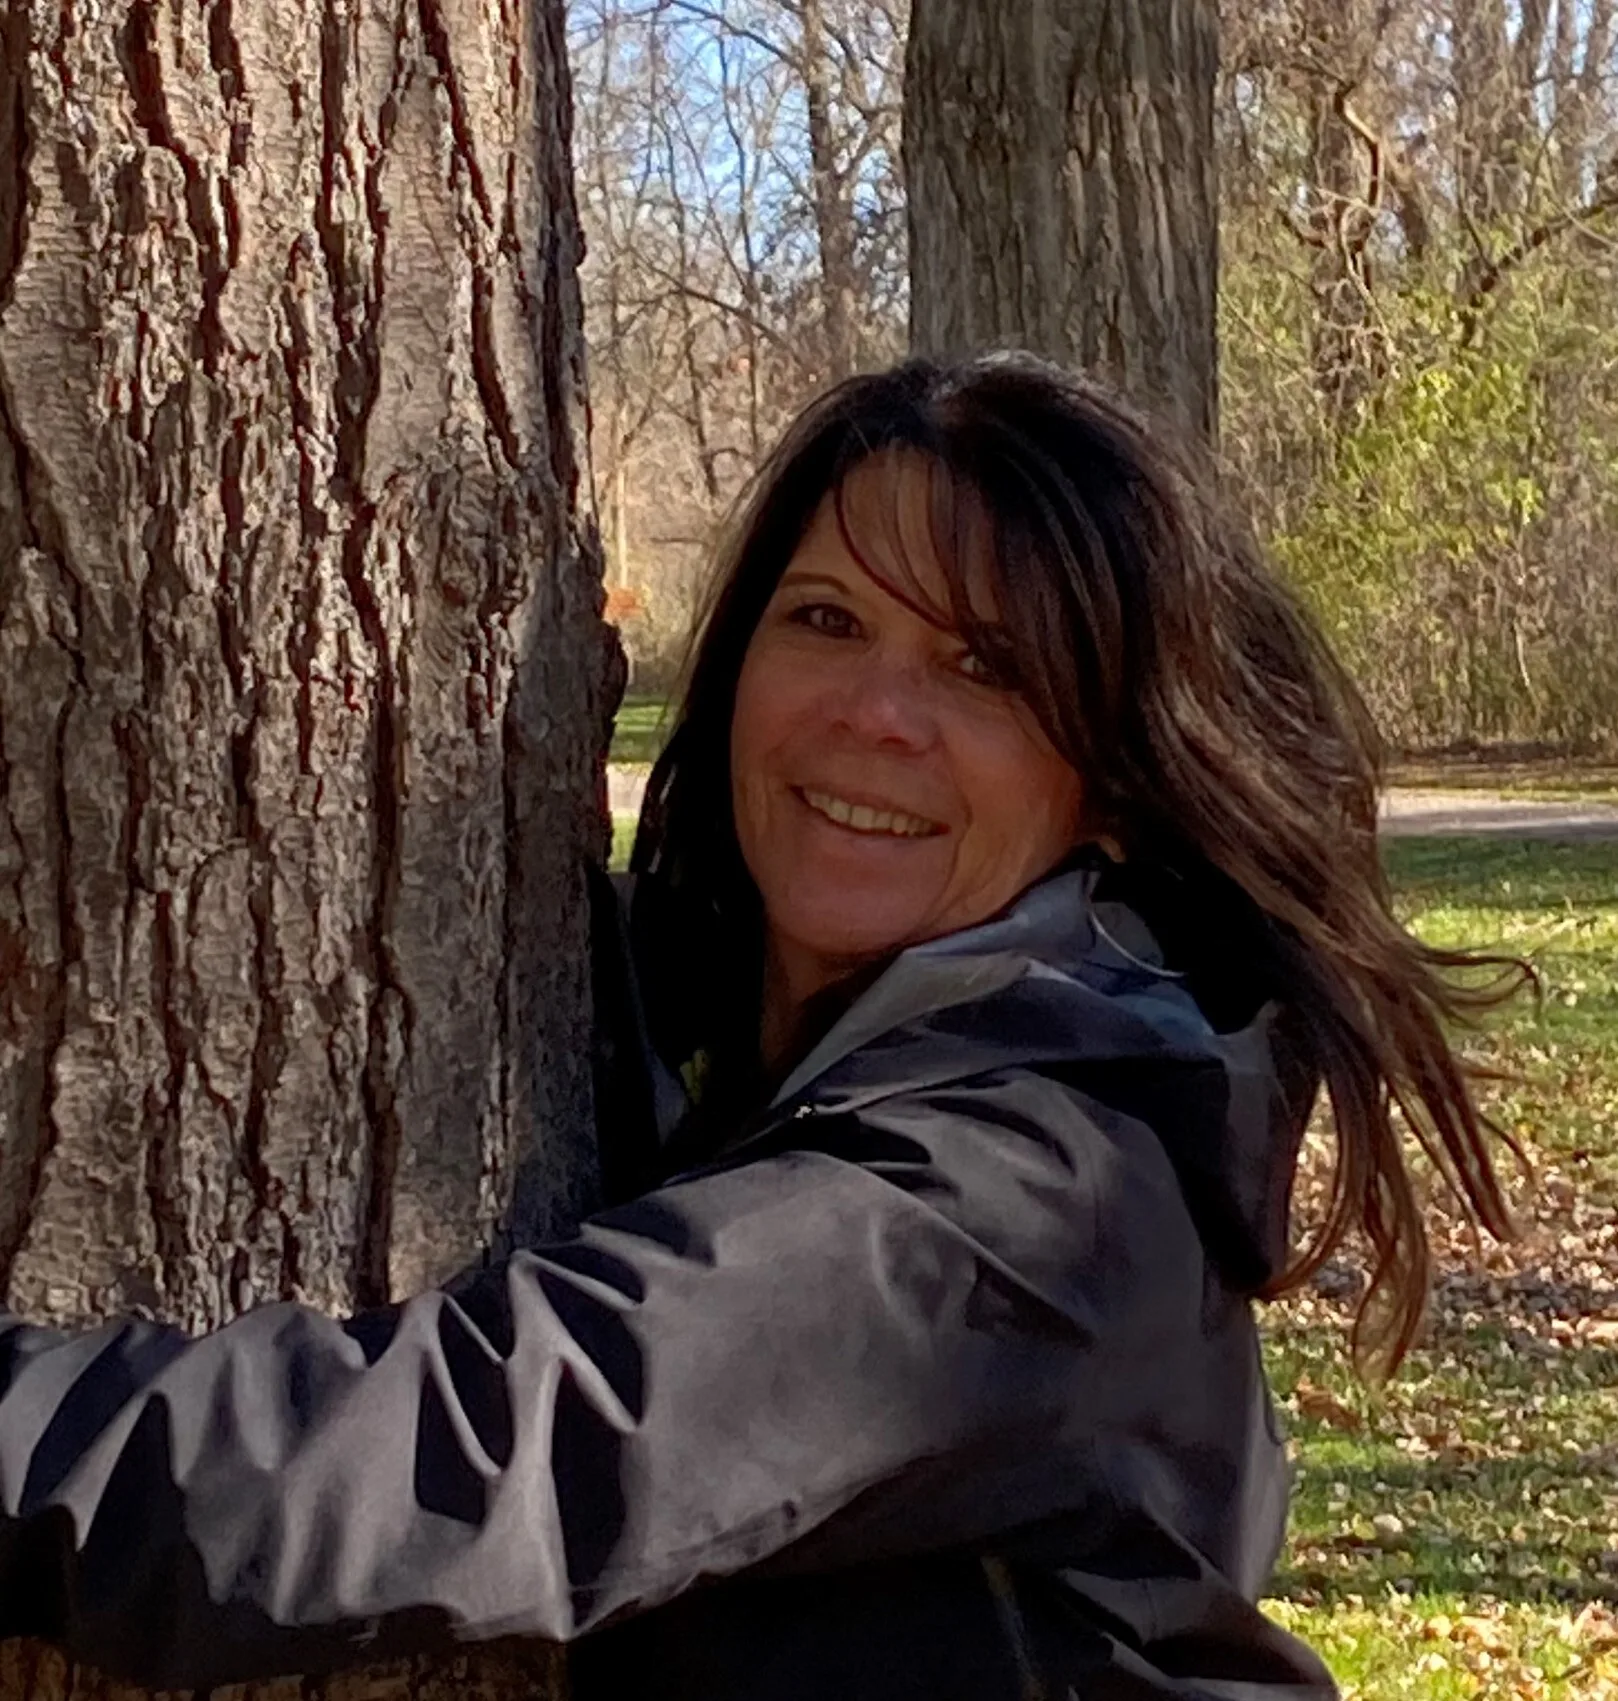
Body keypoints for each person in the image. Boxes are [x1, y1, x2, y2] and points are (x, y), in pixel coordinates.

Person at [0, 355, 1523, 1699]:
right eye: (825, 618)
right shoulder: (731, 1038)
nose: (873, 713)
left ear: (1111, 791)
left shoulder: (1030, 1196)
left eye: (985, 668)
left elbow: (457, 1455)